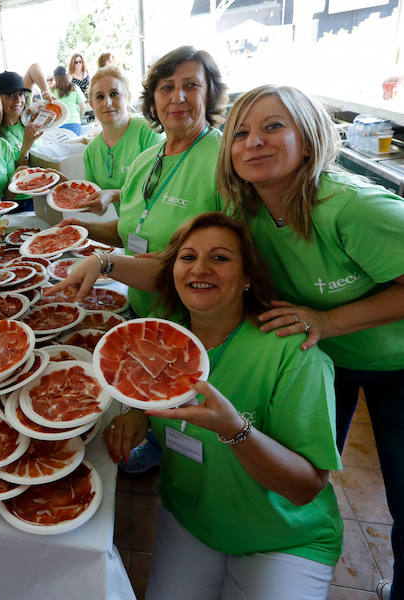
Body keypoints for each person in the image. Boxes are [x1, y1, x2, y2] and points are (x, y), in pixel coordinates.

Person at [55, 212, 343, 599]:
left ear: (247, 278)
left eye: (220, 258)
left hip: (283, 535)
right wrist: (138, 413)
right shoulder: (161, 332)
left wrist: (236, 431)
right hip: (192, 518)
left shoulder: (295, 354)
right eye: (187, 257)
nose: (200, 268)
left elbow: (306, 488)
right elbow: (156, 394)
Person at [217, 84, 404, 600]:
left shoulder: (353, 208)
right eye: (241, 132)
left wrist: (329, 320)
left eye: (273, 126)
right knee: (306, 472)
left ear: (310, 134)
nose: (254, 142)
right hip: (329, 361)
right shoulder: (250, 215)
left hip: (398, 363)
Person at [63, 45, 227, 318]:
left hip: (195, 324)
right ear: (153, 100)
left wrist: (106, 262)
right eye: (166, 88)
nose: (178, 97)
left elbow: (224, 263)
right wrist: (84, 228)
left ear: (210, 94)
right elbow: (134, 228)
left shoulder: (225, 161)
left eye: (191, 85)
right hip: (141, 311)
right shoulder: (145, 161)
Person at [82, 66, 164, 205]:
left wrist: (114, 195)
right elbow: (94, 201)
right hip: (127, 226)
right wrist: (63, 185)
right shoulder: (90, 152)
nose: (107, 103)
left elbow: (162, 189)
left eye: (114, 94)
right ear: (92, 104)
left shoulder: (148, 132)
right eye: (100, 97)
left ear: (128, 97)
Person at [51, 65, 88, 135]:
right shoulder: (75, 88)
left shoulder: (51, 91)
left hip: (57, 124)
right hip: (74, 123)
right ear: (66, 75)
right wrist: (79, 118)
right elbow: (83, 107)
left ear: (55, 78)